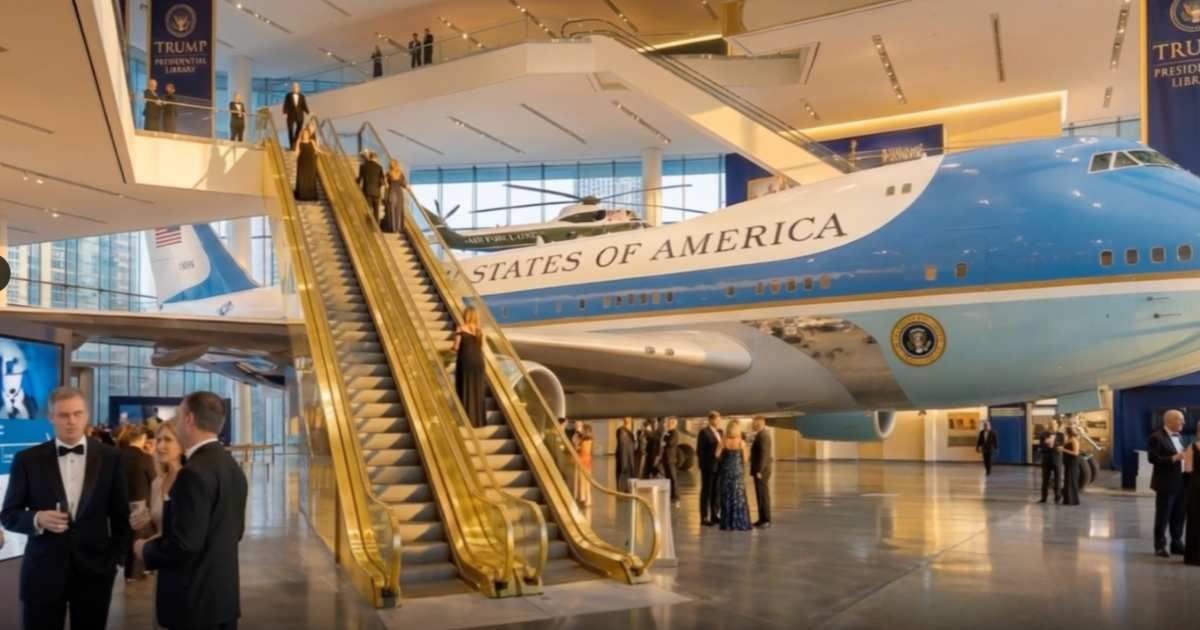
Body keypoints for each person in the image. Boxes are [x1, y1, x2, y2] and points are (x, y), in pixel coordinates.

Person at [0, 387, 132, 630]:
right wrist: (37, 519)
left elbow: (121, 517)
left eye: (77, 413)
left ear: (87, 415)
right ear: (51, 417)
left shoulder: (112, 458)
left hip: (95, 573)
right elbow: (8, 516)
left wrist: (113, 561)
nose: (71, 421)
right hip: (42, 573)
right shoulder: (27, 460)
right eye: (63, 415)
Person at [136, 392, 248, 630]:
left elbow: (185, 544)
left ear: (188, 419)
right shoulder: (231, 467)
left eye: (178, 415)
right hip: (223, 600)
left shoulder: (192, 473)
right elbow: (235, 532)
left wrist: (145, 550)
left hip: (193, 603)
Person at [1149, 409, 1189, 558]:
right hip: (1166, 484)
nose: (1183, 422)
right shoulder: (1156, 437)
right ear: (1170, 421)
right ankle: (1159, 546)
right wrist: (1175, 458)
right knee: (1163, 516)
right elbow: (1153, 459)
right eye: (1180, 419)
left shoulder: (1180, 437)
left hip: (1181, 482)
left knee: (1179, 515)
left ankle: (1176, 544)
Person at [118, 425, 156, 583]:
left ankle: (134, 571)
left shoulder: (118, 455)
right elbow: (154, 480)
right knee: (141, 536)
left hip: (122, 500)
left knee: (128, 536)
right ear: (142, 439)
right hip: (141, 500)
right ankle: (135, 572)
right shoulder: (145, 457)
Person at [715, 419, 752, 531]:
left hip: (726, 471)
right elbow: (745, 460)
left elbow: (716, 455)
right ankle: (738, 522)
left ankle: (727, 523)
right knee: (738, 496)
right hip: (737, 471)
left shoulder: (723, 441)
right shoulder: (741, 442)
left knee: (726, 495)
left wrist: (724, 460)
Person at [453, 306, 486, 427]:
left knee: (465, 387)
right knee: (477, 390)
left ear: (465, 316)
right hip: (478, 362)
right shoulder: (480, 331)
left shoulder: (461, 329)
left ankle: (466, 419)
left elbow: (456, 347)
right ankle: (478, 421)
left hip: (465, 361)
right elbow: (482, 348)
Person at [697, 411, 722, 526]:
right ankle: (704, 517)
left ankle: (714, 515)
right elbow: (700, 451)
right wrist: (702, 466)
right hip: (708, 467)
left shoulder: (720, 432)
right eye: (717, 419)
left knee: (716, 492)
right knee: (706, 492)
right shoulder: (704, 432)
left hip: (718, 467)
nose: (718, 421)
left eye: (719, 419)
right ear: (711, 420)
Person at [750, 416, 773, 528]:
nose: (753, 425)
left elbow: (764, 454)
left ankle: (766, 520)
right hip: (760, 469)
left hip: (762, 470)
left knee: (763, 495)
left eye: (754, 423)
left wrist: (759, 470)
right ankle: (761, 519)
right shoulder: (761, 434)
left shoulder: (763, 435)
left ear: (760, 423)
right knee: (760, 495)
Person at [1038, 418, 1065, 504]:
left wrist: (1053, 444)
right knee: (1045, 479)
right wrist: (1046, 444)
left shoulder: (1061, 435)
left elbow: (1062, 446)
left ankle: (1057, 497)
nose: (1052, 425)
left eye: (1053, 424)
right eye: (1050, 424)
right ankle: (1043, 498)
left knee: (1058, 479)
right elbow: (1040, 447)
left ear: (1057, 425)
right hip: (1046, 459)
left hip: (1057, 459)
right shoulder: (1043, 434)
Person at [294, 126, 319, 201]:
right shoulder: (299, 142)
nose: (305, 135)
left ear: (309, 135)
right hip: (302, 161)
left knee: (310, 178)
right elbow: (297, 152)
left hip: (311, 161)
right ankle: (302, 195)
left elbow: (317, 149)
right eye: (304, 134)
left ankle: (311, 195)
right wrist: (295, 155)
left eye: (306, 134)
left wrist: (325, 153)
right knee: (302, 177)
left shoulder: (312, 141)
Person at [357, 150, 385, 219]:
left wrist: (356, 182)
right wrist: (378, 187)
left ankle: (368, 226)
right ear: (375, 158)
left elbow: (360, 179)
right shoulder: (379, 167)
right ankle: (376, 226)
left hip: (367, 191)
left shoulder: (363, 166)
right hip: (376, 193)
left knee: (368, 209)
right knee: (376, 211)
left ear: (369, 157)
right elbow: (382, 182)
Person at [282, 82, 309, 150]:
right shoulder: (288, 95)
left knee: (299, 129)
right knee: (290, 130)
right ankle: (291, 145)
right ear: (292, 88)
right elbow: (286, 104)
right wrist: (285, 112)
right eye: (294, 87)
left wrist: (308, 112)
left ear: (298, 88)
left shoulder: (302, 96)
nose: (295, 88)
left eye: (296, 87)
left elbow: (304, 105)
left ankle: (295, 141)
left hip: (300, 115)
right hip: (291, 115)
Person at [1185, 437, 1199, 566]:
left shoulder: (1192, 448)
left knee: (1195, 520)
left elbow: (1188, 469)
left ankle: (1193, 557)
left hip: (1196, 487)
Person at [1060, 426, 1082, 506]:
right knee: (1068, 480)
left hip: (1073, 463)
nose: (1064, 433)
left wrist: (1063, 449)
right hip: (1068, 463)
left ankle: (1072, 500)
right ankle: (1068, 499)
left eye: (1065, 431)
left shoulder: (1074, 440)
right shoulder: (1068, 440)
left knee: (1071, 480)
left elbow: (1076, 453)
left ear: (1068, 432)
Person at [383, 160, 407, 234]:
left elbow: (385, 184)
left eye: (391, 164)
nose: (391, 165)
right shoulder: (399, 173)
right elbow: (404, 184)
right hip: (397, 192)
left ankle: (395, 229)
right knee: (396, 210)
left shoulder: (389, 173)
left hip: (393, 192)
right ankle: (397, 228)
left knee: (394, 210)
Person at [573, 423, 593, 507]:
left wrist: (577, 446)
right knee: (588, 482)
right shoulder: (591, 440)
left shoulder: (583, 441)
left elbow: (578, 449)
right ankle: (588, 500)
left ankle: (583, 498)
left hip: (582, 461)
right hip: (588, 461)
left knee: (582, 481)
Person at [661, 417, 680, 505]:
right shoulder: (668, 433)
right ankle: (670, 493)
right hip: (666, 458)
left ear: (675, 424)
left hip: (671, 458)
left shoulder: (674, 433)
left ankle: (675, 495)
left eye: (672, 422)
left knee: (673, 477)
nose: (670, 424)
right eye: (669, 422)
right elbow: (663, 442)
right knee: (668, 477)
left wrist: (665, 442)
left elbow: (670, 443)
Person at [614, 417, 636, 492]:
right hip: (624, 458)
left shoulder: (631, 433)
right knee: (623, 472)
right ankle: (622, 490)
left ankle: (627, 489)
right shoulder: (621, 431)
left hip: (630, 458)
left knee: (629, 473)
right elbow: (622, 446)